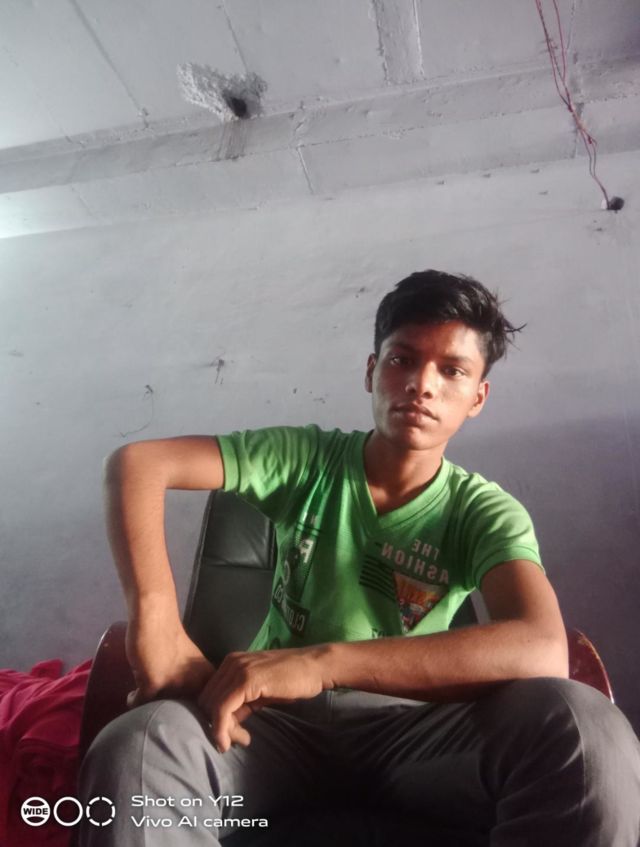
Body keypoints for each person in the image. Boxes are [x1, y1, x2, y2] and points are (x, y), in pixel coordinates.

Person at [79, 270, 640, 846]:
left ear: (478, 397)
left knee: (586, 729)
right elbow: (138, 464)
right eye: (402, 360)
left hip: (418, 736)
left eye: (452, 371)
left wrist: (321, 663)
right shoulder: (307, 460)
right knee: (139, 747)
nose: (421, 385)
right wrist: (156, 621)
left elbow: (542, 646)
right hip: (266, 729)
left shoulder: (483, 510)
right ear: (372, 371)